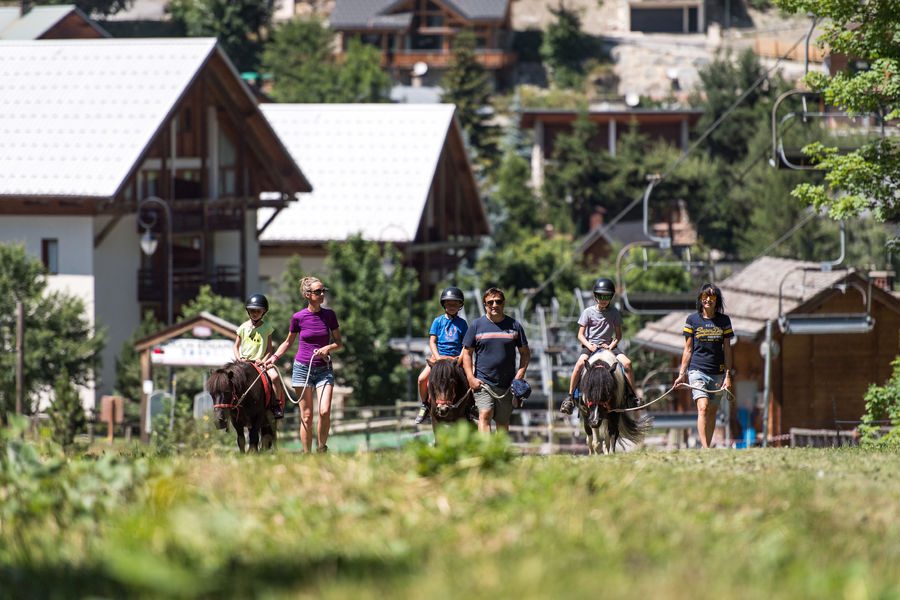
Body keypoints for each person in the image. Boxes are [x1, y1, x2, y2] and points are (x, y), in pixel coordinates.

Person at [267, 276, 343, 453]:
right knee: (307, 416)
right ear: (307, 294)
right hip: (302, 369)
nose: (322, 294)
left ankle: (321, 448)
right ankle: (307, 455)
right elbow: (288, 342)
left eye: (324, 291)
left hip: (324, 370)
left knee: (324, 411)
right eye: (318, 291)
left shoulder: (329, 315)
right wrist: (274, 357)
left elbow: (339, 343)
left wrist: (328, 348)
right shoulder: (298, 317)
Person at [560, 277, 634, 415]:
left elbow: (618, 336)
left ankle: (632, 396)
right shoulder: (588, 312)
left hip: (608, 345)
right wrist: (590, 345)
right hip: (591, 345)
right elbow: (580, 335)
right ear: (595, 296)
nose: (604, 299)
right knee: (579, 366)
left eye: (607, 296)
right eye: (601, 296)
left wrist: (611, 346)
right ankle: (570, 398)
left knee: (627, 364)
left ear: (611, 297)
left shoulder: (614, 313)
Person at [673, 283, 735, 449]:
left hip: (718, 373)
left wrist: (728, 376)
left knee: (712, 411)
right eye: (705, 296)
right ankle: (705, 449)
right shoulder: (692, 320)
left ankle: (706, 446)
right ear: (700, 299)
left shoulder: (724, 321)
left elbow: (727, 350)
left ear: (717, 300)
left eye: (712, 296)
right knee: (703, 407)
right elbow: (688, 349)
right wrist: (681, 374)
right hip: (697, 371)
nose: (708, 299)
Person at [461, 288, 530, 434]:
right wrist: (470, 378)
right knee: (484, 414)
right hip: (483, 382)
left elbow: (525, 353)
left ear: (503, 303)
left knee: (502, 420)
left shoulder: (515, 326)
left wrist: (519, 376)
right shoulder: (476, 326)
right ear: (485, 304)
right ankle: (486, 453)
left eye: (498, 301)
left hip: (507, 384)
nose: (494, 305)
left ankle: (500, 452)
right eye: (490, 302)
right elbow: (467, 353)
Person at [414, 287, 469, 424]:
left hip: (456, 359)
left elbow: (466, 344)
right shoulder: (437, 321)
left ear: (460, 306)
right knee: (421, 379)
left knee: (472, 379)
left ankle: (471, 406)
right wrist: (437, 357)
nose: (452, 306)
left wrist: (461, 358)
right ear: (443, 304)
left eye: (455, 304)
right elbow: (432, 341)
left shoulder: (462, 324)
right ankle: (425, 405)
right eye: (449, 304)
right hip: (438, 358)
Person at [233, 293, 285, 419]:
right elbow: (235, 346)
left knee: (275, 377)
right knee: (229, 379)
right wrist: (239, 358)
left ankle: (276, 405)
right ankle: (230, 406)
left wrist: (263, 361)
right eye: (252, 310)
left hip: (262, 362)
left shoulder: (267, 328)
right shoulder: (243, 327)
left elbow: (269, 349)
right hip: (244, 361)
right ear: (248, 311)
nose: (255, 313)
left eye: (258, 311)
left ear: (264, 312)